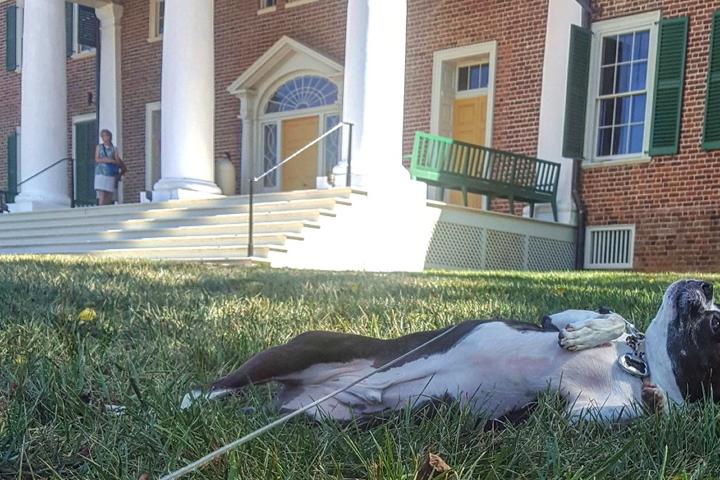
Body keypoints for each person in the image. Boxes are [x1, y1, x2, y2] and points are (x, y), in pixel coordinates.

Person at [94, 129, 127, 206]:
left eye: (106, 135)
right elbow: (97, 159)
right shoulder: (99, 147)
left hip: (110, 172)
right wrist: (104, 160)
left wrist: (111, 161)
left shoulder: (114, 148)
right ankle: (101, 208)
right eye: (103, 136)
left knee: (109, 192)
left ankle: (107, 206)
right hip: (100, 172)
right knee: (101, 192)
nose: (105, 138)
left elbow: (117, 161)